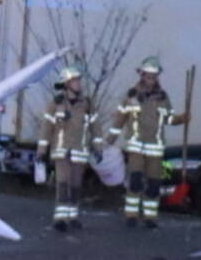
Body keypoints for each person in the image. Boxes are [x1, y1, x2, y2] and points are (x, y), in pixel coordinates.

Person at [106, 57, 189, 229]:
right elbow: (120, 120)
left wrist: (181, 119)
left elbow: (169, 118)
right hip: (136, 146)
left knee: (154, 184)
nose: (151, 78)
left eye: (154, 75)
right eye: (148, 74)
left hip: (155, 149)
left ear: (157, 76)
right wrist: (108, 142)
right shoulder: (131, 96)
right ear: (142, 75)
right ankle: (131, 215)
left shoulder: (163, 97)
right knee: (135, 181)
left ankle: (150, 217)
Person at [36, 66, 103, 231]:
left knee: (75, 185)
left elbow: (96, 127)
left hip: (79, 152)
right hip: (61, 151)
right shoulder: (56, 104)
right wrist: (41, 152)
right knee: (62, 183)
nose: (78, 83)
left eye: (78, 80)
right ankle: (60, 218)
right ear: (66, 84)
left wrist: (98, 147)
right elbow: (46, 128)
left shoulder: (86, 104)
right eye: (74, 80)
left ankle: (72, 216)